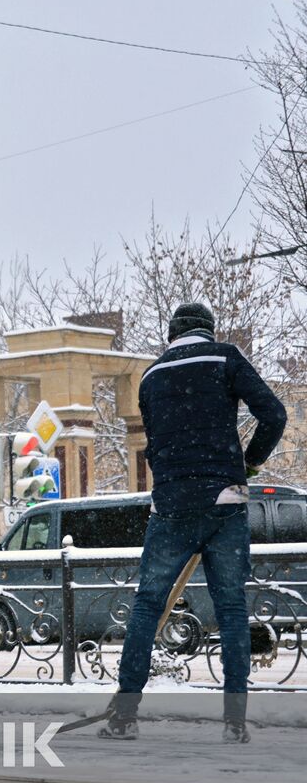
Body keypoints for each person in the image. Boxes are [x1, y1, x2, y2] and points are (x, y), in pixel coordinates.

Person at [102, 303, 286, 743]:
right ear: (208, 331)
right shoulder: (225, 357)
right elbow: (274, 415)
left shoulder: (150, 376)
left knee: (148, 605)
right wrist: (249, 462)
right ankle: (234, 722)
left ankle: (124, 714)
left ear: (172, 335)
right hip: (226, 495)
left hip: (171, 505)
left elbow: (157, 440)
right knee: (231, 608)